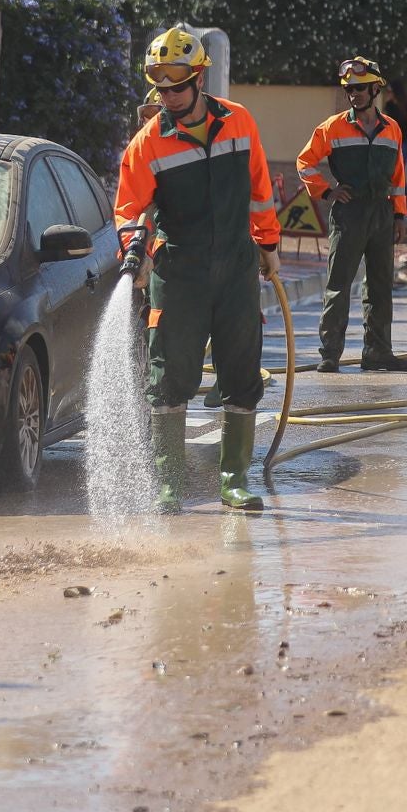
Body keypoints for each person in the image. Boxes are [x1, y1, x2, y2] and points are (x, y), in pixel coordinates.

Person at [115, 26, 281, 512]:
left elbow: (260, 187)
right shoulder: (148, 144)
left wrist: (269, 243)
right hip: (178, 272)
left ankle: (233, 480)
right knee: (169, 376)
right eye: (160, 90)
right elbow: (128, 209)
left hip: (236, 267)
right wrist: (135, 251)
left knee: (241, 371)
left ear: (199, 80)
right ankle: (169, 485)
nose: (167, 98)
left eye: (176, 88)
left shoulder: (239, 121)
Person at [297, 57, 407, 372]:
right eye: (349, 89)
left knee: (380, 287)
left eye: (360, 88)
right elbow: (304, 162)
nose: (354, 94)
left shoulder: (392, 129)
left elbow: (398, 177)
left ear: (375, 89)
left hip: (382, 214)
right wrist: (326, 192)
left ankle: (378, 352)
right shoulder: (332, 127)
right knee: (339, 284)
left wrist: (399, 215)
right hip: (349, 213)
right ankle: (330, 353)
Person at [385, 76, 407, 220]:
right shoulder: (388, 106)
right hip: (392, 143)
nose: (388, 93)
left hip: (405, 143)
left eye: (390, 91)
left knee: (398, 173)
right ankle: (401, 204)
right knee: (393, 174)